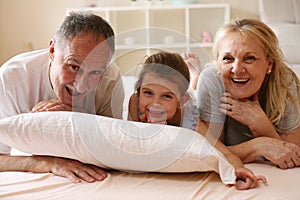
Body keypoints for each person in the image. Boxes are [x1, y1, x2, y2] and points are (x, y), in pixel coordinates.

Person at [0, 11, 124, 183]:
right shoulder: (12, 78)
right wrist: (48, 163)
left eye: (95, 72)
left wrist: (77, 115)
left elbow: (113, 148)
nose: (81, 85)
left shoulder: (111, 78)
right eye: (74, 67)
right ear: (52, 50)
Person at [128, 51, 266, 190]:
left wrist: (237, 169)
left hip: (191, 104)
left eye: (167, 96)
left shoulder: (190, 120)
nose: (155, 103)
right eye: (148, 93)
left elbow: (223, 151)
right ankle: (194, 79)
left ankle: (197, 78)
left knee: (196, 94)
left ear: (181, 101)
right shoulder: (135, 102)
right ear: (138, 91)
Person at [196, 18, 300, 170]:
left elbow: (293, 154)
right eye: (228, 59)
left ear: (268, 64)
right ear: (218, 63)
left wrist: (260, 124)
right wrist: (258, 146)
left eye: (249, 58)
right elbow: (209, 153)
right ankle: (194, 77)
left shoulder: (285, 81)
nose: (237, 69)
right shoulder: (211, 79)